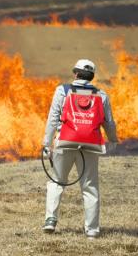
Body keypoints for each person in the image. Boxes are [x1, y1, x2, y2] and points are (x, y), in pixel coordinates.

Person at [42, 59, 118, 239]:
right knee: (90, 186)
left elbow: (53, 118)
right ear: (92, 77)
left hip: (65, 143)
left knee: (57, 181)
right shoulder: (102, 95)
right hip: (90, 145)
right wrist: (113, 139)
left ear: (75, 74)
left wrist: (46, 143)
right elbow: (109, 122)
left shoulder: (62, 90)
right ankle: (92, 230)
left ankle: (51, 220)